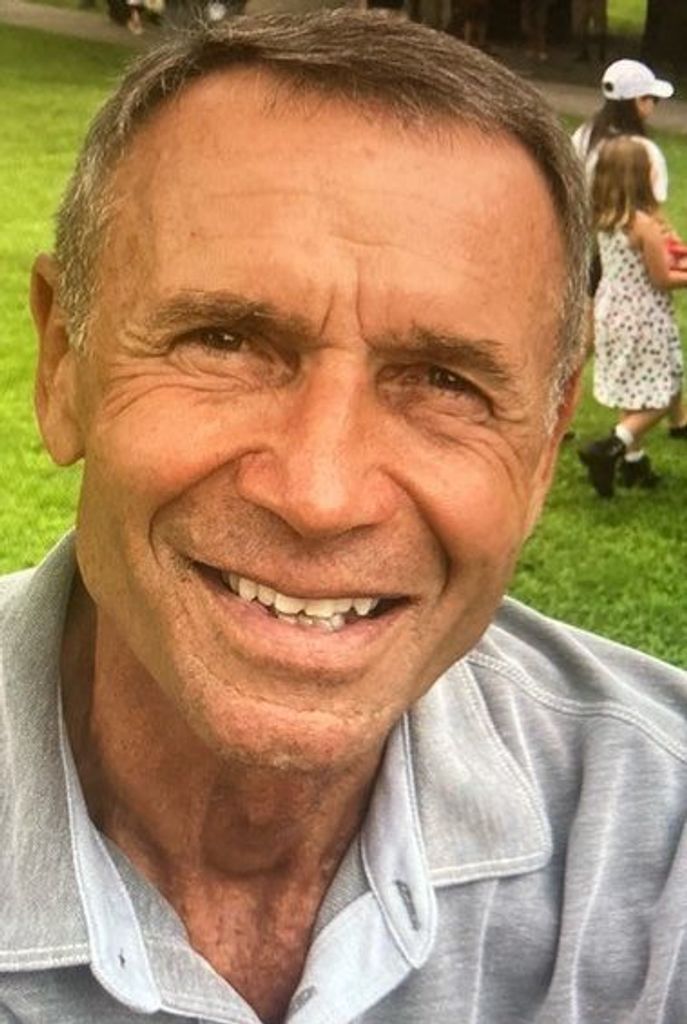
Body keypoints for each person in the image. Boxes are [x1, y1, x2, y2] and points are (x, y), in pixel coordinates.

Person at [3, 12, 687, 1023]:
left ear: (544, 449)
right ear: (65, 364)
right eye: (225, 340)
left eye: (445, 381)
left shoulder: (661, 832)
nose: (320, 495)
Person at [571, 58, 687, 438]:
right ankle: (559, 413)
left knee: (594, 337)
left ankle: (680, 419)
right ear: (637, 101)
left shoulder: (584, 135)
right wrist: (670, 244)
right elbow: (651, 208)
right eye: (650, 98)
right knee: (618, 342)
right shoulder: (642, 150)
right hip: (630, 256)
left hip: (594, 246)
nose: (653, 105)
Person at [578, 136, 687, 496]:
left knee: (633, 389)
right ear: (641, 175)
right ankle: (612, 446)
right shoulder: (644, 225)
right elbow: (661, 278)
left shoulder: (608, 219)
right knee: (663, 394)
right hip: (643, 318)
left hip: (612, 313)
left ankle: (633, 462)